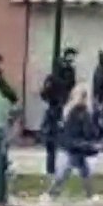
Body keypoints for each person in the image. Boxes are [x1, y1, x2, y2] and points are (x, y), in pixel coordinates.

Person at [44, 86, 99, 201]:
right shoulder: (75, 112)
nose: (84, 98)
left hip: (75, 147)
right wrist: (87, 143)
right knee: (64, 173)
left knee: (83, 172)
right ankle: (51, 195)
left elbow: (88, 131)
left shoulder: (77, 111)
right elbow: (76, 132)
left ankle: (90, 195)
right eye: (82, 96)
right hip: (71, 147)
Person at [40, 47, 78, 175]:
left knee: (54, 139)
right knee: (55, 138)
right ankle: (55, 167)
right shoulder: (61, 77)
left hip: (57, 107)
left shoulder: (52, 78)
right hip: (58, 107)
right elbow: (68, 86)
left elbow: (44, 93)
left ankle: (52, 167)